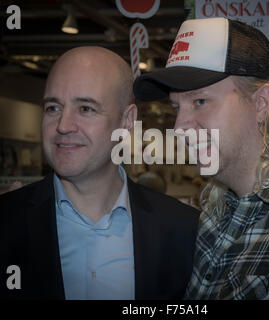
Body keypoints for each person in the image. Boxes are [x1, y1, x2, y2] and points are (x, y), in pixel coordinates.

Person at [133, 18, 269, 299]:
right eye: (177, 107)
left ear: (261, 103)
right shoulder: (216, 212)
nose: (178, 128)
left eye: (200, 101)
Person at [0, 46, 199, 300]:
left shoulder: (183, 230)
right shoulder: (7, 221)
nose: (63, 125)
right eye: (53, 108)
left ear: (127, 121)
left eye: (86, 109)